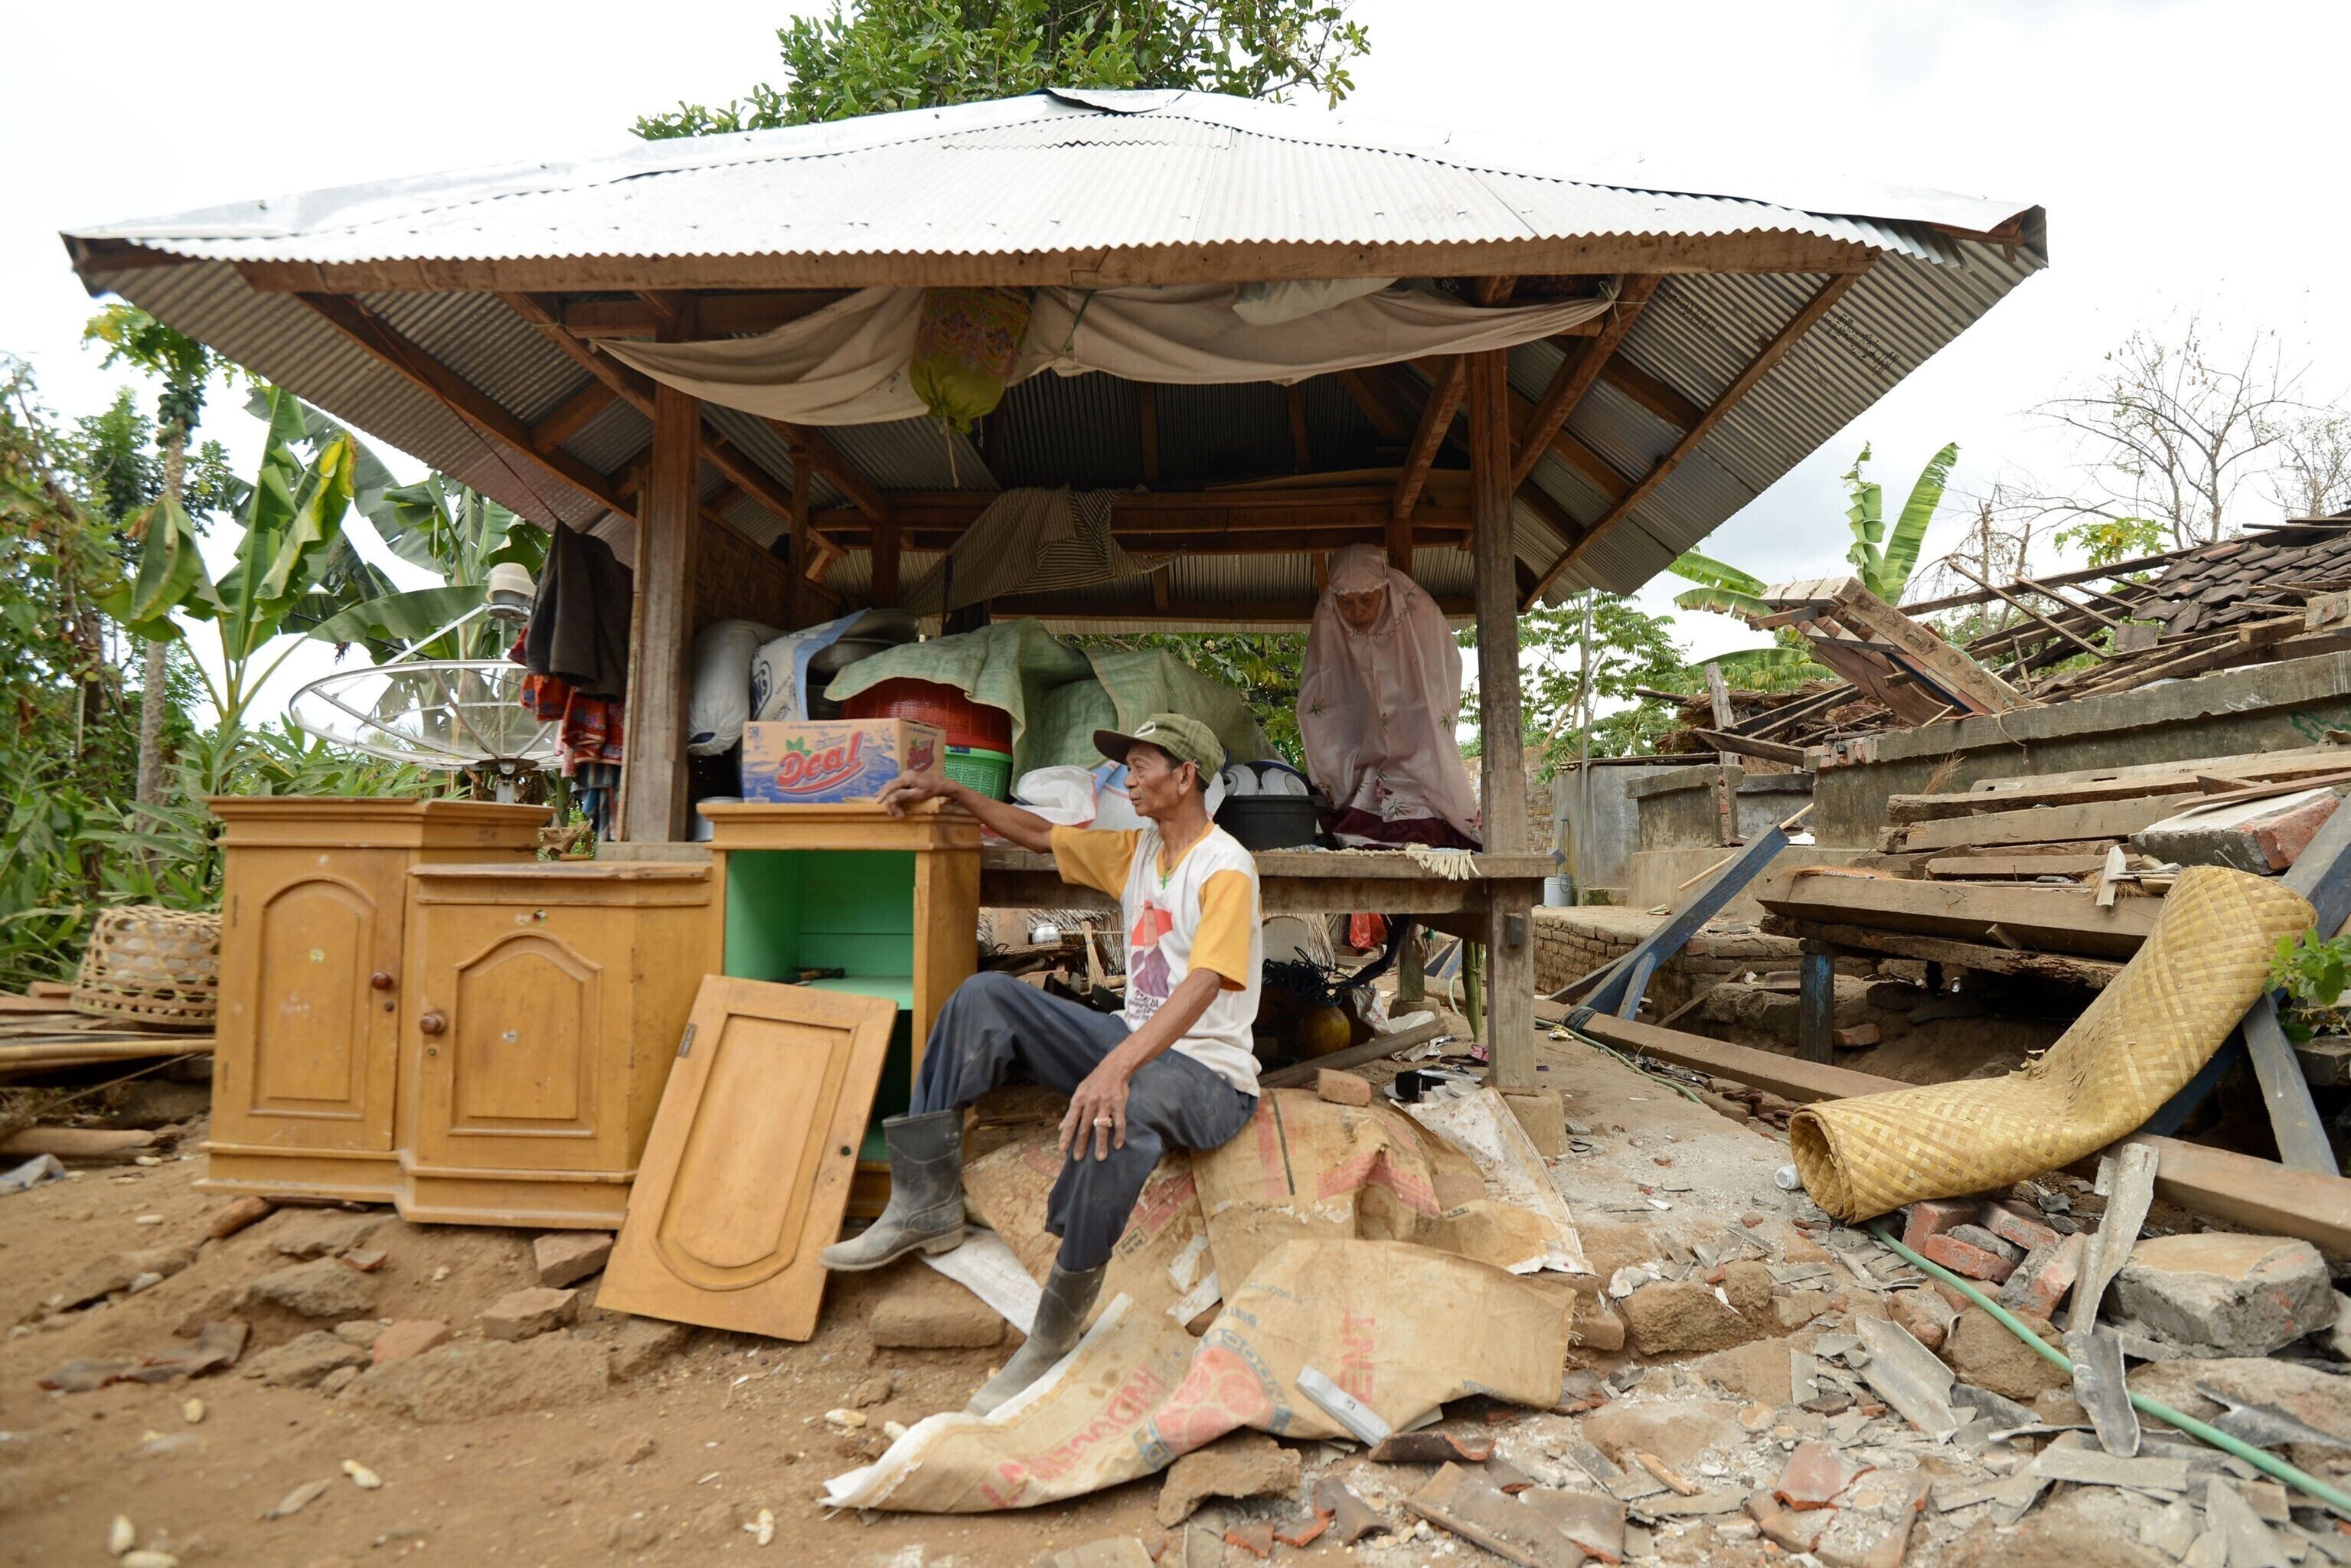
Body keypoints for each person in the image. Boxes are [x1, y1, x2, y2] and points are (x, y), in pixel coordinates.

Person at [820, 713, 1263, 1414]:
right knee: (985, 996)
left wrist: (1114, 1067)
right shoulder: (1138, 850)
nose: (1127, 779)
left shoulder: (1225, 867)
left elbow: (1204, 982)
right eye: (1125, 766)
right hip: (1135, 1038)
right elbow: (1037, 833)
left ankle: (1056, 1326)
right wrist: (955, 792)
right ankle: (925, 1202)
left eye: (1140, 766)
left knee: (1122, 1105)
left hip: (1211, 1078)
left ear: (1185, 777)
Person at [1298, 543, 1482, 849]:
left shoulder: (1419, 613)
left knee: (1422, 775)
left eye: (1366, 600)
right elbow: (1322, 695)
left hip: (1417, 746)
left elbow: (1439, 679)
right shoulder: (1328, 619)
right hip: (1365, 760)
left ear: (1383, 590)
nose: (1357, 612)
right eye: (1346, 603)